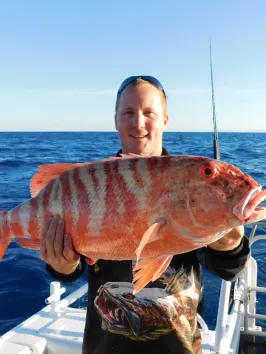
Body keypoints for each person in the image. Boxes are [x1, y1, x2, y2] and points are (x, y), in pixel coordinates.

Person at [40, 76, 250, 354]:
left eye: (149, 113)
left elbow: (228, 270)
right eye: (129, 113)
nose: (139, 123)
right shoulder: (90, 182)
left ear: (165, 119)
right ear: (116, 120)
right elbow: (70, 270)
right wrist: (62, 265)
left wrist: (230, 245)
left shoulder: (191, 184)